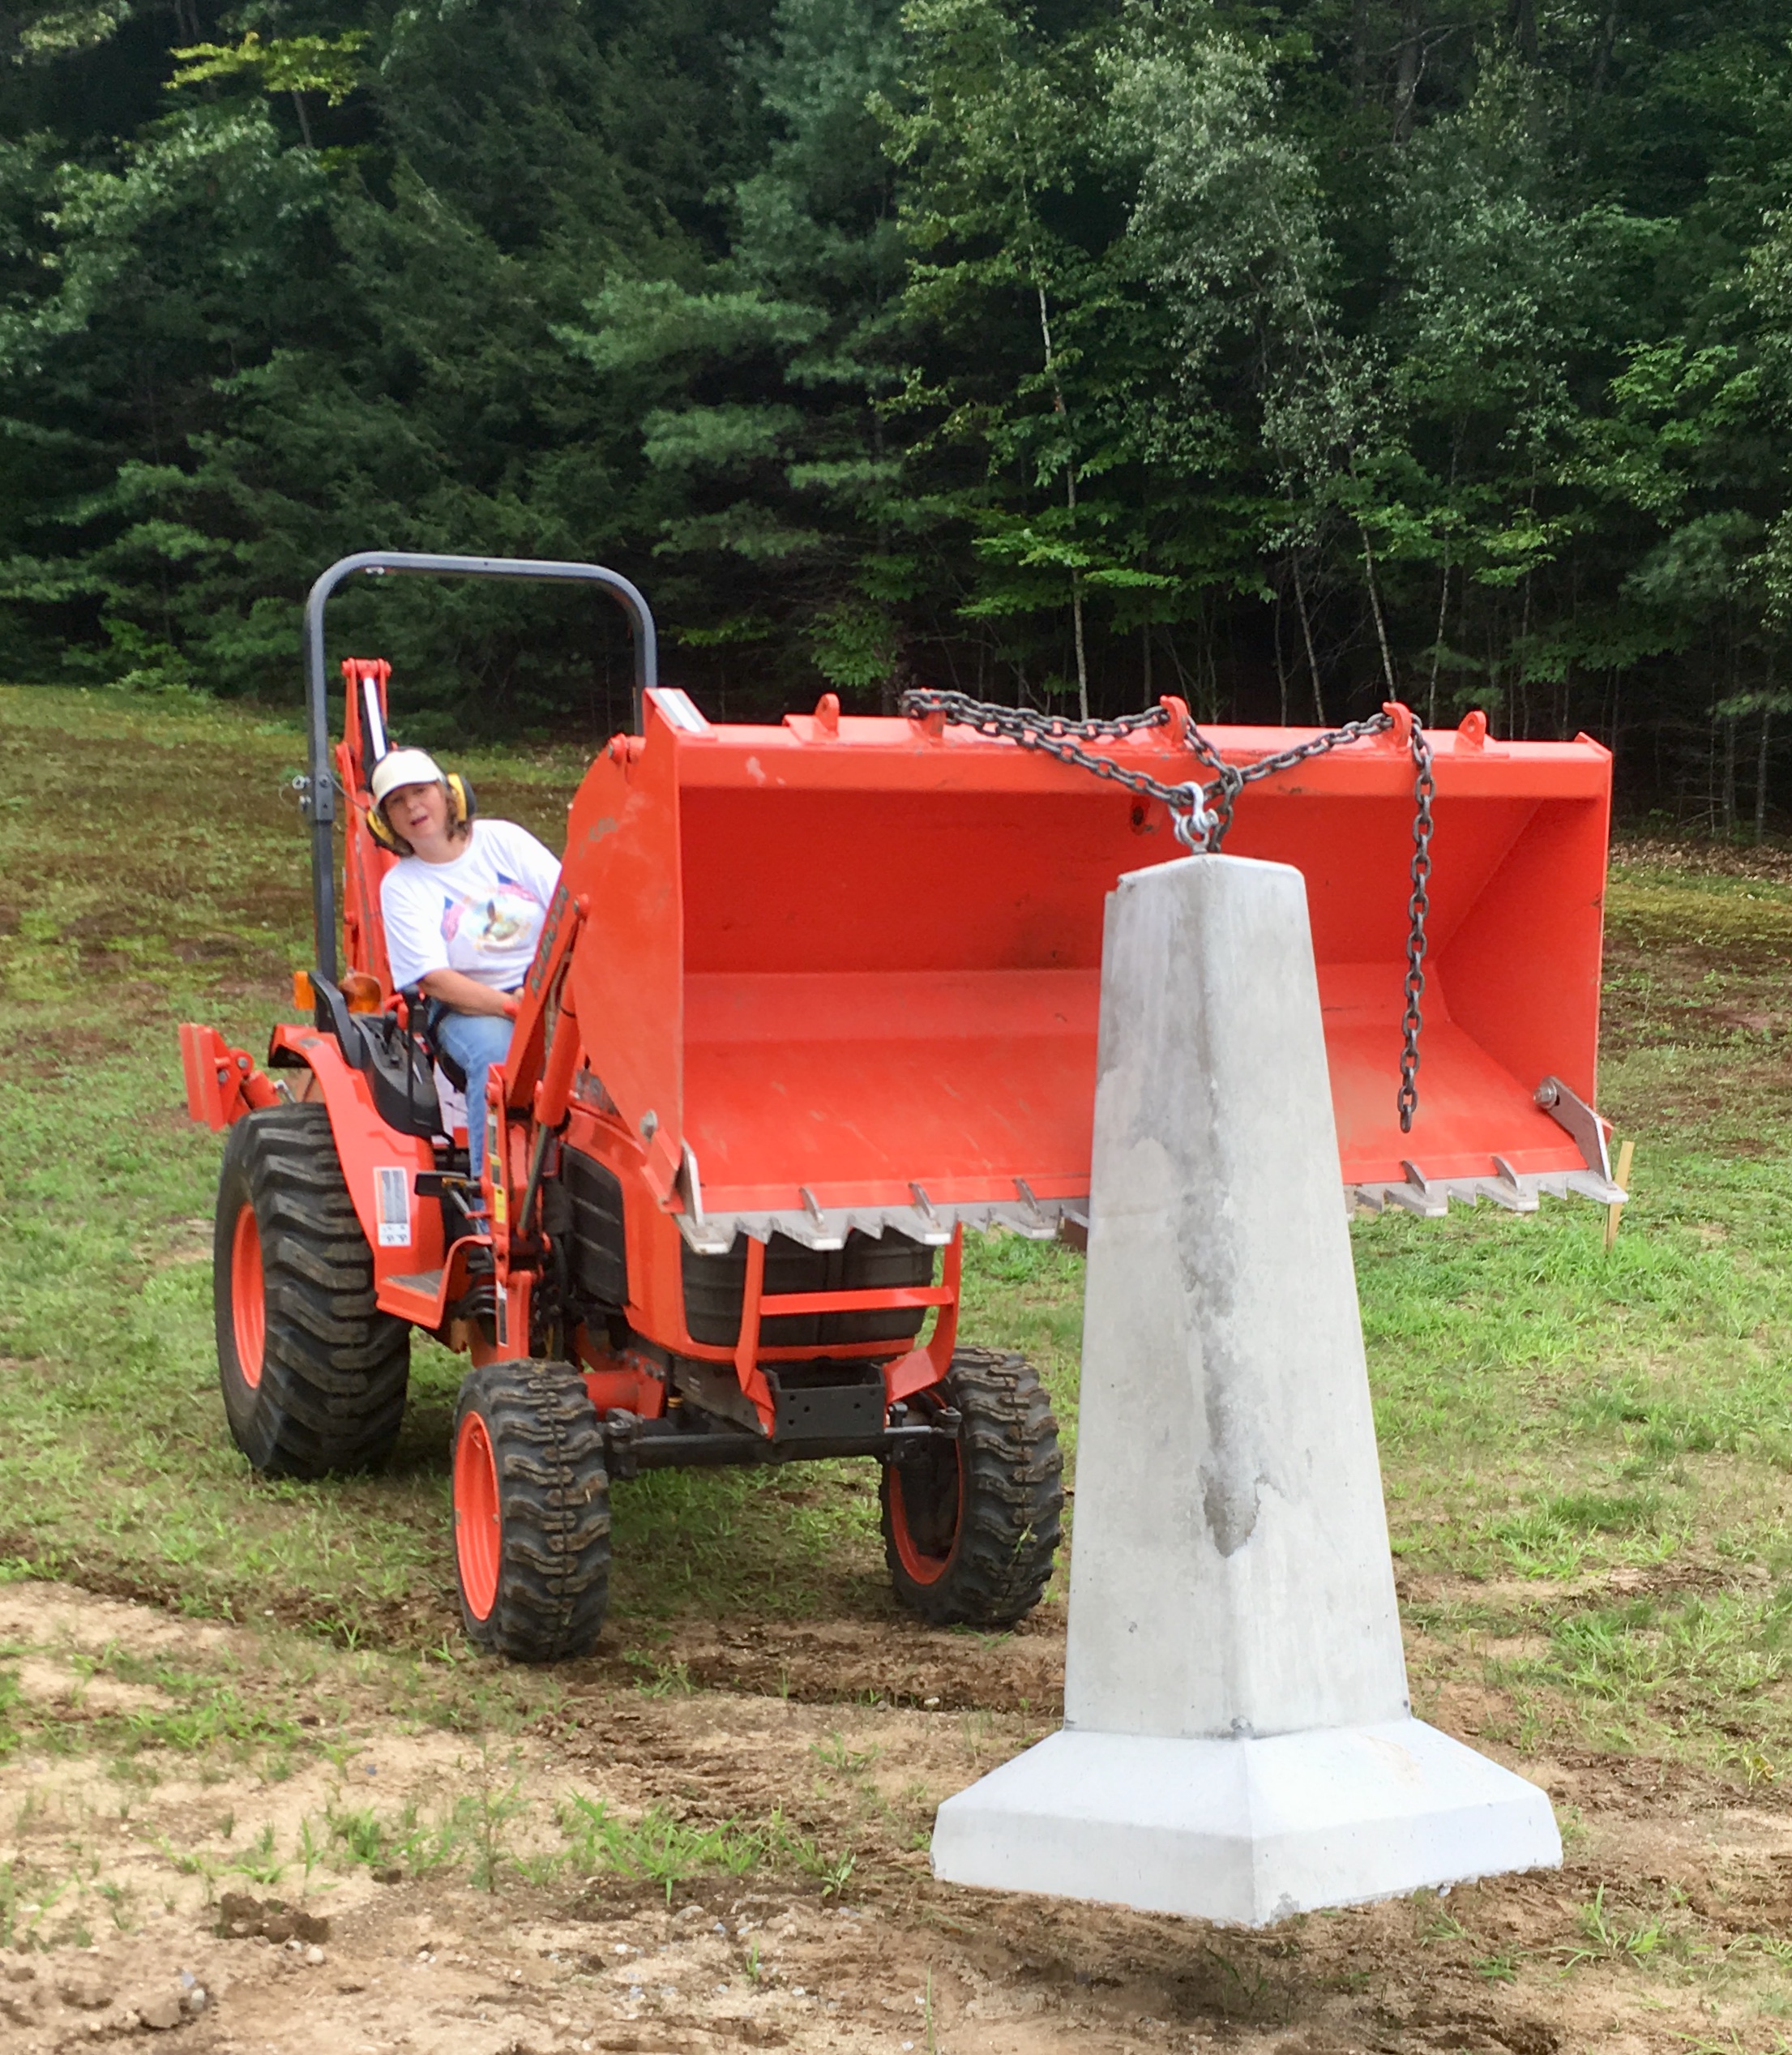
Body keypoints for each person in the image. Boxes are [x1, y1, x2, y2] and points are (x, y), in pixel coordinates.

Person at [370, 747, 561, 1182]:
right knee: (497, 1056)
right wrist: (513, 1007)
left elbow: (567, 904)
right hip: (469, 1007)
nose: (412, 806)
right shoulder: (401, 887)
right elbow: (435, 980)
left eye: (421, 792)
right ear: (385, 822)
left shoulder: (504, 841)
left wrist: (548, 989)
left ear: (449, 793)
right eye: (397, 801)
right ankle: (490, 1197)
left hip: (551, 984)